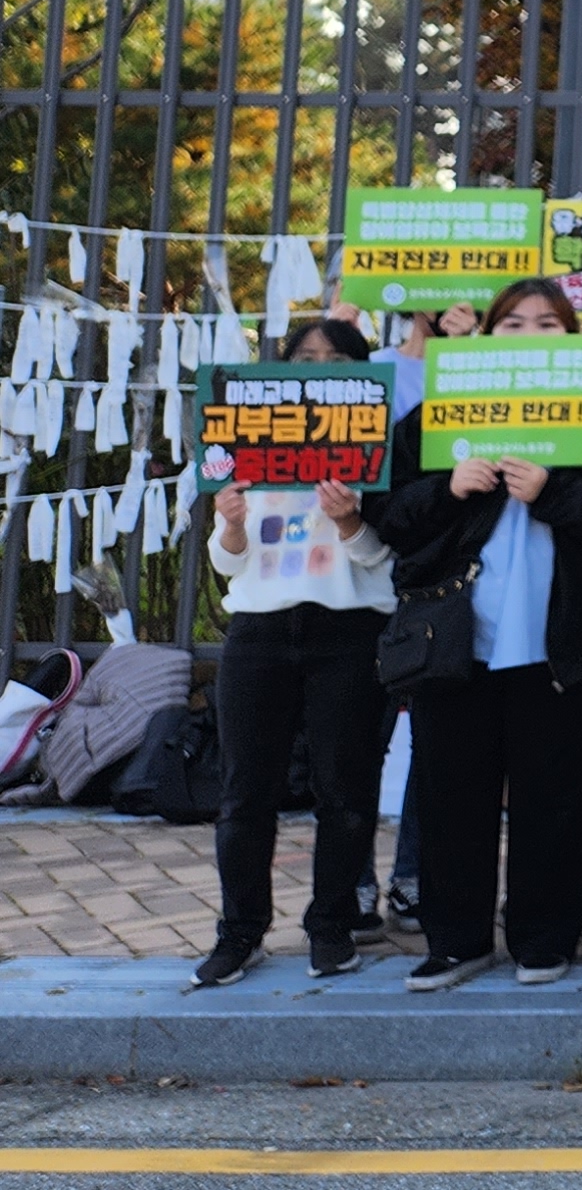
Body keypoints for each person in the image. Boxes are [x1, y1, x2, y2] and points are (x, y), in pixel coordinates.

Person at [367, 278, 582, 991]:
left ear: (574, 336)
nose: (528, 335)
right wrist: (447, 486)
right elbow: (389, 518)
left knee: (557, 796)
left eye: (547, 324)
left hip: (562, 643)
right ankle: (457, 940)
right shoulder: (437, 417)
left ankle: (545, 937)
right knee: (452, 793)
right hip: (455, 642)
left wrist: (554, 493)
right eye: (512, 322)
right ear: (487, 337)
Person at [193, 319, 396, 986]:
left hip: (348, 629)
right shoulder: (249, 442)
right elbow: (227, 566)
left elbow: (384, 559)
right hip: (258, 631)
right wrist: (229, 523)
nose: (318, 369)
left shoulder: (376, 444)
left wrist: (349, 520)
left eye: (336, 359)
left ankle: (331, 927)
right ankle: (239, 932)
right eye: (304, 358)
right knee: (244, 792)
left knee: (345, 791)